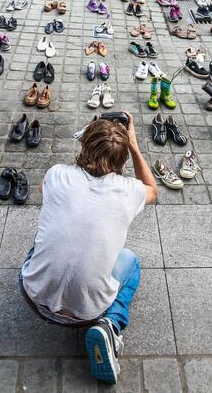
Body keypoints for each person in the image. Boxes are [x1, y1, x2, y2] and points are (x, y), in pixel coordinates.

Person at [19, 112, 158, 384]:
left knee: (40, 243)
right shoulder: (130, 190)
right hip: (87, 312)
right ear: (122, 158)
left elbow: (43, 188)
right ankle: (110, 324)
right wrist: (133, 144)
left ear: (84, 144)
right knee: (130, 261)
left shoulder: (57, 174)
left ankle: (53, 282)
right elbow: (152, 188)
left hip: (34, 295)